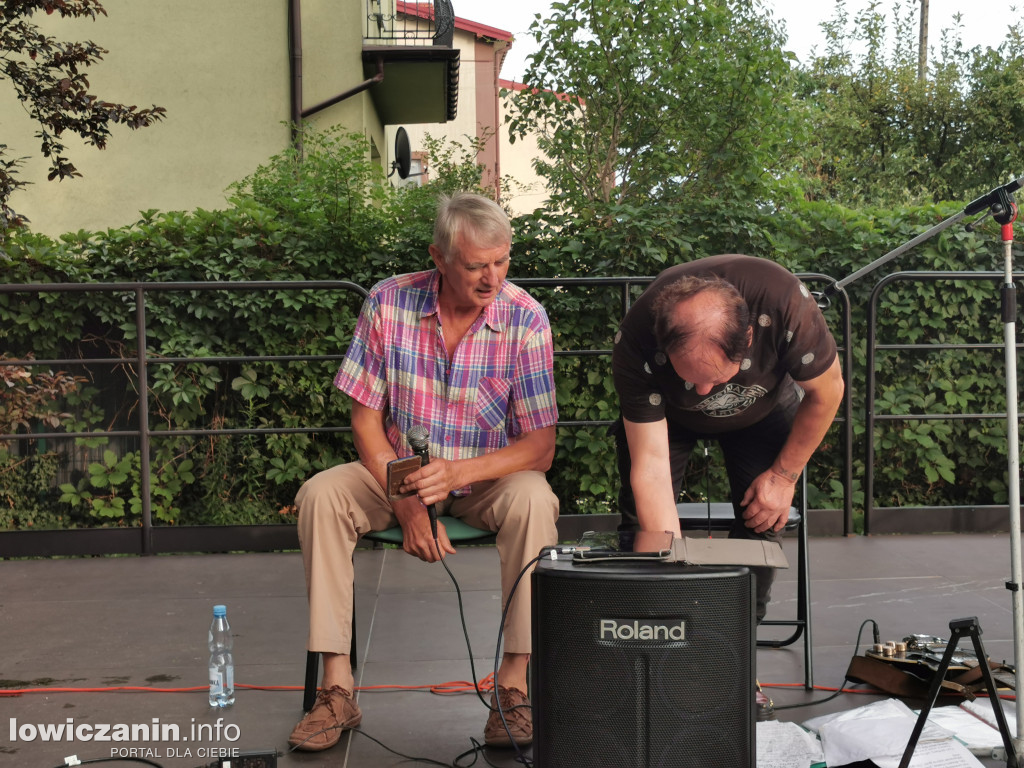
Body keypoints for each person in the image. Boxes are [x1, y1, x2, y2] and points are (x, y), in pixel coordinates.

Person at [288, 192, 559, 752]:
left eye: (502, 261)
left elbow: (540, 446)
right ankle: (336, 689)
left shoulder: (526, 317)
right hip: (396, 474)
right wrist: (409, 503)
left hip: (485, 482)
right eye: (475, 265)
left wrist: (460, 469)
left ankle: (511, 688)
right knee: (320, 494)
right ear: (438, 257)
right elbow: (365, 421)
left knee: (536, 497)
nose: (492, 278)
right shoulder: (388, 303)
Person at [612, 254, 844, 622]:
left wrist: (784, 477)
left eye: (714, 379)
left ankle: (736, 650)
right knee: (646, 534)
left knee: (763, 517)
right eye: (690, 376)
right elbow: (652, 470)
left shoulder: (783, 303)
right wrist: (674, 587)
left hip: (762, 406)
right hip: (666, 418)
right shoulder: (637, 339)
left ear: (748, 337)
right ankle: (661, 639)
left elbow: (828, 392)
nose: (703, 391)